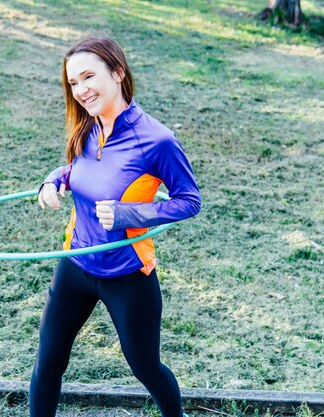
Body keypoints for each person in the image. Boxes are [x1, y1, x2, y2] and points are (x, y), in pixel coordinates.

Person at [31, 37, 201, 417]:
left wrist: (131, 215)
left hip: (126, 274)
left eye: (89, 76)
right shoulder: (87, 128)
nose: (80, 90)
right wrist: (52, 179)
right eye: (73, 83)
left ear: (118, 72)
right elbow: (76, 173)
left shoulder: (156, 141)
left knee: (146, 368)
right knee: (47, 364)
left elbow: (190, 201)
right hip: (75, 264)